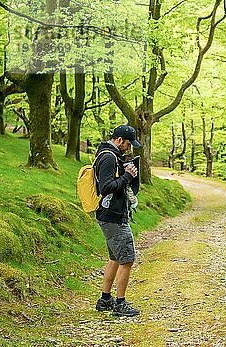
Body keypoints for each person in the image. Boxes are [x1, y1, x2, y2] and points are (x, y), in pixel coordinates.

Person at [93, 125, 141, 317]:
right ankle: (120, 304)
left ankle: (105, 300)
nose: (129, 148)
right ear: (119, 140)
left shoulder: (111, 156)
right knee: (127, 259)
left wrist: (125, 171)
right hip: (113, 217)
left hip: (109, 215)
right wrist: (128, 176)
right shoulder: (108, 157)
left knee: (115, 258)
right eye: (128, 144)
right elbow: (106, 187)